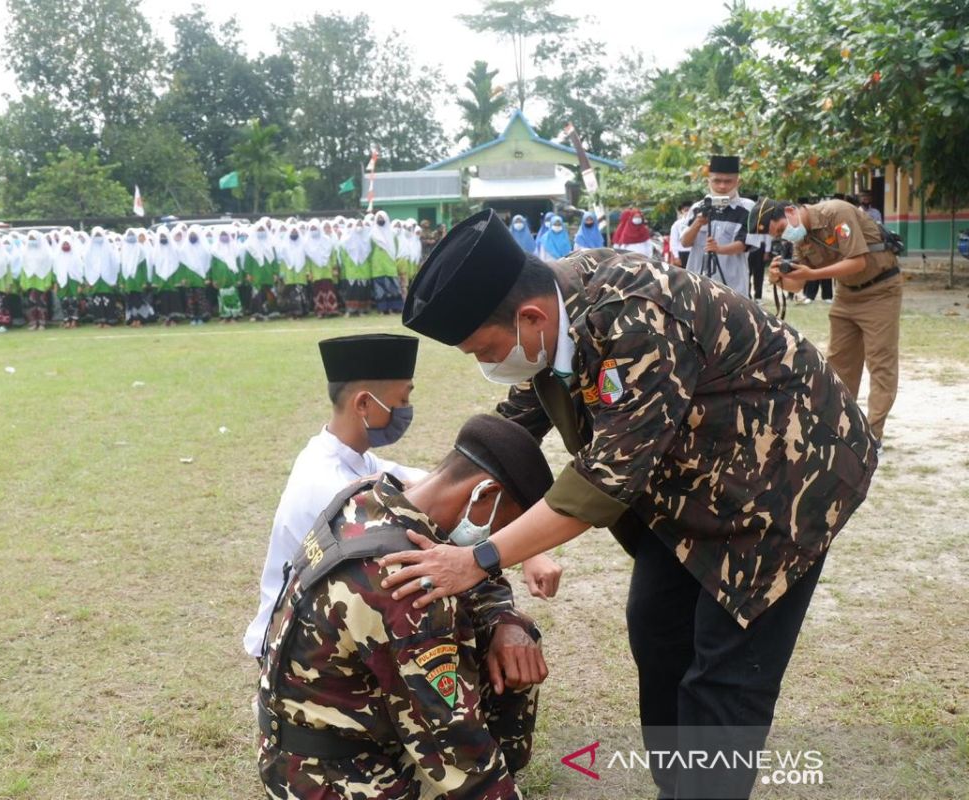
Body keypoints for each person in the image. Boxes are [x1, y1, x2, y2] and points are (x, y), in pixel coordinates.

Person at [384, 209, 877, 799]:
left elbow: (601, 481)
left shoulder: (634, 315)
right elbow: (509, 427)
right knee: (657, 631)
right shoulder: (556, 307)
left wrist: (478, 559)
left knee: (724, 673)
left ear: (529, 317)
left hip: (784, 482)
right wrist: (414, 507)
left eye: (480, 349)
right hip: (696, 481)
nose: (483, 363)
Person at [258, 414, 553, 800]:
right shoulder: (407, 585)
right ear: (485, 495)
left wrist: (505, 620)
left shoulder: (371, 494)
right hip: (326, 777)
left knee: (519, 639)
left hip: (306, 734)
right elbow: (457, 747)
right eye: (505, 531)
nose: (501, 550)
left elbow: (478, 573)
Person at [244, 334, 428, 660]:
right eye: (401, 400)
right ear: (363, 404)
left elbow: (418, 479)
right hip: (291, 651)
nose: (406, 411)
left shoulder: (344, 453)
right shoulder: (327, 481)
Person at [753, 196, 902, 446]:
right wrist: (779, 278)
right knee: (838, 365)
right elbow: (799, 283)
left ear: (790, 211)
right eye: (777, 236)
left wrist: (813, 274)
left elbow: (859, 261)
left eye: (780, 229)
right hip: (846, 295)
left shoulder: (836, 212)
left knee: (880, 364)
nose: (784, 236)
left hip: (881, 290)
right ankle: (842, 429)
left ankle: (872, 436)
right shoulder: (802, 238)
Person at [680, 155, 755, 296]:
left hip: (733, 287)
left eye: (728, 181)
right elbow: (684, 242)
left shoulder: (749, 208)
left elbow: (747, 244)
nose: (722, 186)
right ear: (708, 181)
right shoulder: (698, 207)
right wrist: (697, 223)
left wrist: (719, 249)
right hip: (698, 284)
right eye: (717, 181)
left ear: (738, 182)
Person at [368, 210, 403, 314]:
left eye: (382, 218)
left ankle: (395, 308)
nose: (380, 220)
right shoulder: (372, 234)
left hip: (390, 264)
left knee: (393, 288)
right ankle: (383, 309)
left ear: (386, 219)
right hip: (377, 265)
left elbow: (396, 248)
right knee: (380, 290)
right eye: (378, 218)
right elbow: (369, 249)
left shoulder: (392, 234)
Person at [667, 201, 692, 267]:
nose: (688, 212)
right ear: (682, 211)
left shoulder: (698, 222)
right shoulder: (677, 224)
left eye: (690, 210)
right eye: (686, 210)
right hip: (682, 253)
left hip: (694, 252)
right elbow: (673, 242)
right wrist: (676, 256)